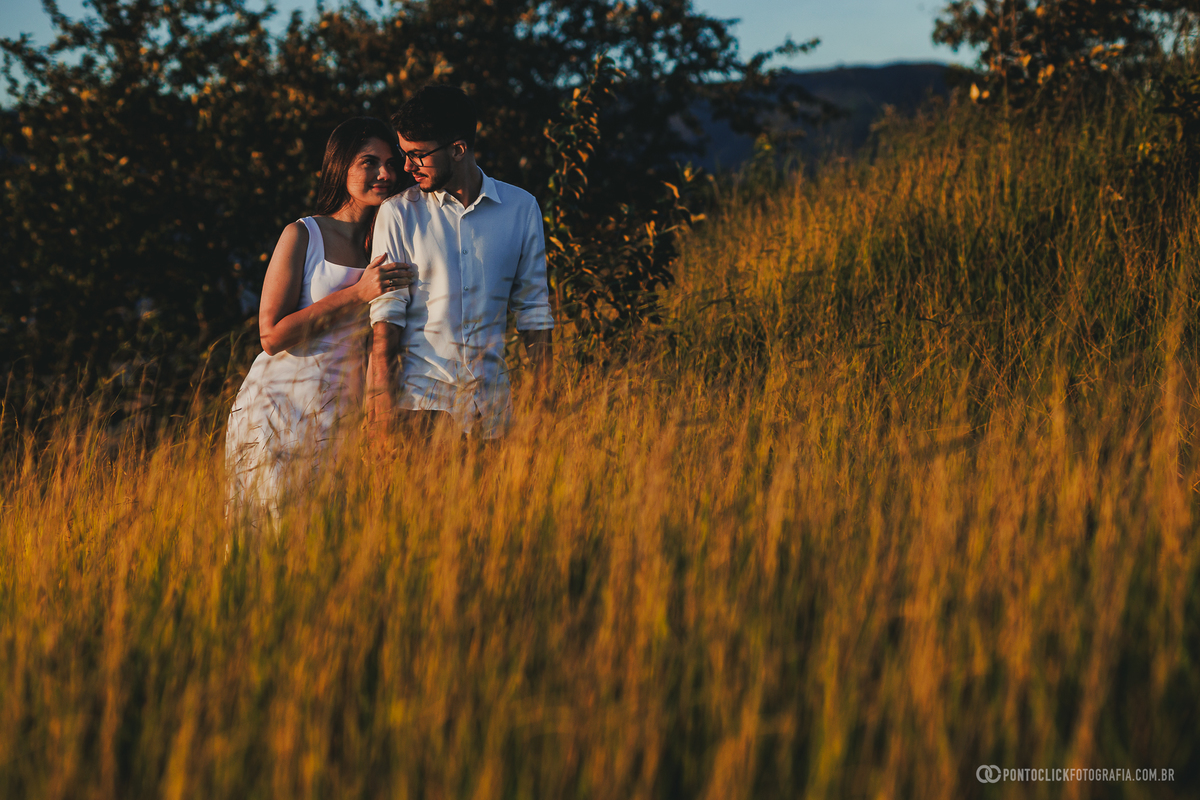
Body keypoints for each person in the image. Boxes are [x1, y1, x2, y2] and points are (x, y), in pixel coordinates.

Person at [226, 117, 414, 514]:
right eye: (368, 162)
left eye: (390, 163)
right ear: (339, 168)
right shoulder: (302, 235)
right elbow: (271, 335)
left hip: (342, 414)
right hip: (279, 406)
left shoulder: (387, 242)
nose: (384, 173)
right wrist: (356, 294)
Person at [366, 86, 553, 439]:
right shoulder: (398, 214)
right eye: (404, 153)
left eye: (418, 155)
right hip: (418, 412)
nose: (406, 167)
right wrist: (381, 416)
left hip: (493, 415)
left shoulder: (521, 208)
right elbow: (385, 321)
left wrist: (544, 404)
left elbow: (534, 312)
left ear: (458, 149)